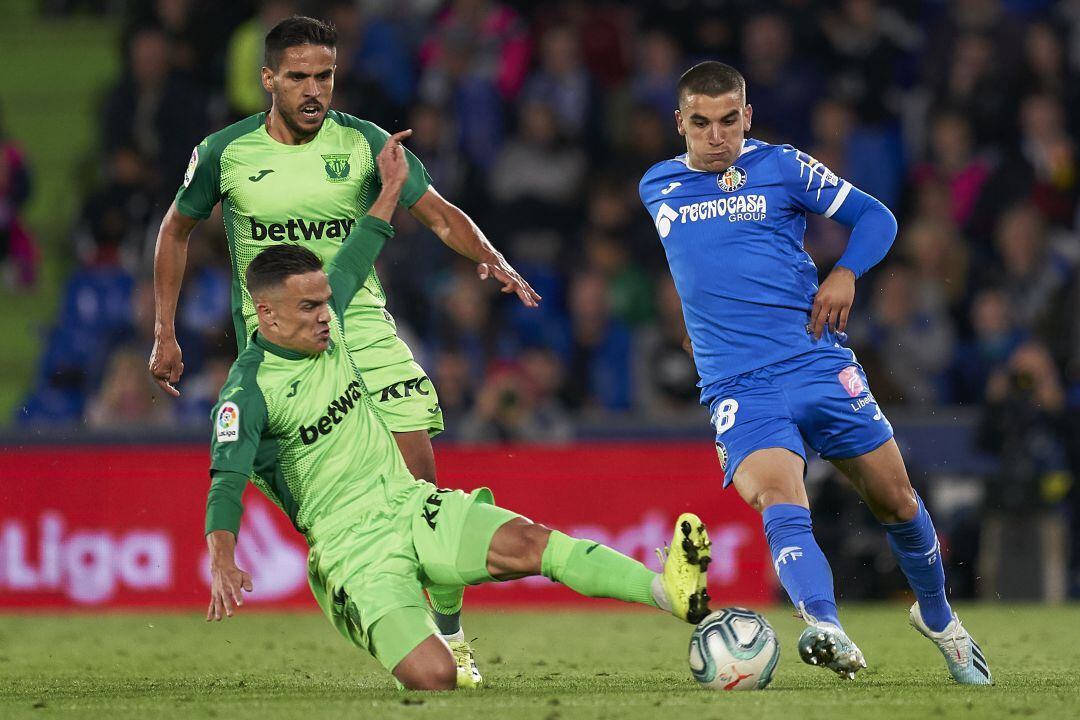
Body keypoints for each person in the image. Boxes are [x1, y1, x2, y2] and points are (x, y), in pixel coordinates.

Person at [204, 132, 712, 691]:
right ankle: (418, 630)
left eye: (326, 301)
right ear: (267, 316)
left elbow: (365, 240)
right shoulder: (246, 392)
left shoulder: (335, 322)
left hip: (406, 504)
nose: (325, 315)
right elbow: (226, 482)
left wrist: (394, 185)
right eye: (309, 308)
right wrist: (224, 556)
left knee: (531, 544)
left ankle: (667, 589)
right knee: (435, 677)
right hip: (351, 550)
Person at [148, 15, 540, 686]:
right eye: (297, 76)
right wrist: (164, 329)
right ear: (268, 78)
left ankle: (449, 639)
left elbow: (439, 212)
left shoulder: (365, 143)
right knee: (341, 516)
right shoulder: (225, 151)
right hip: (284, 356)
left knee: (423, 491)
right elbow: (177, 229)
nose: (312, 89)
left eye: (323, 76)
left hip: (364, 331)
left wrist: (492, 256)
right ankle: (389, 623)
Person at [638, 61, 992, 685]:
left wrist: (846, 271)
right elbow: (702, 271)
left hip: (816, 360)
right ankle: (825, 625)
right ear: (680, 123)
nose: (716, 136)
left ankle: (940, 619)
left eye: (728, 121)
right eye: (701, 123)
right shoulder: (656, 186)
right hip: (739, 387)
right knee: (779, 496)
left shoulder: (782, 166)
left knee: (898, 501)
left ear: (746, 117)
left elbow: (878, 219)